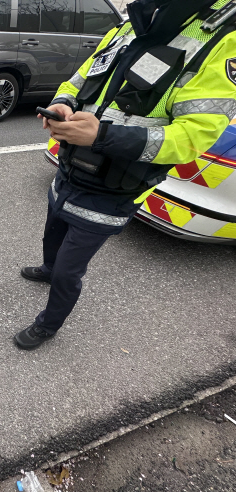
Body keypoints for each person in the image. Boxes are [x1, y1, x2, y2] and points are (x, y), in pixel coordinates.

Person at [14, 0, 236, 350]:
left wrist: (102, 136)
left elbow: (192, 138)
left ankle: (48, 325)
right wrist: (63, 102)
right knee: (53, 230)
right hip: (72, 166)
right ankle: (47, 268)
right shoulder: (132, 23)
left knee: (70, 270)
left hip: (114, 186)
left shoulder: (222, 38)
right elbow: (82, 76)